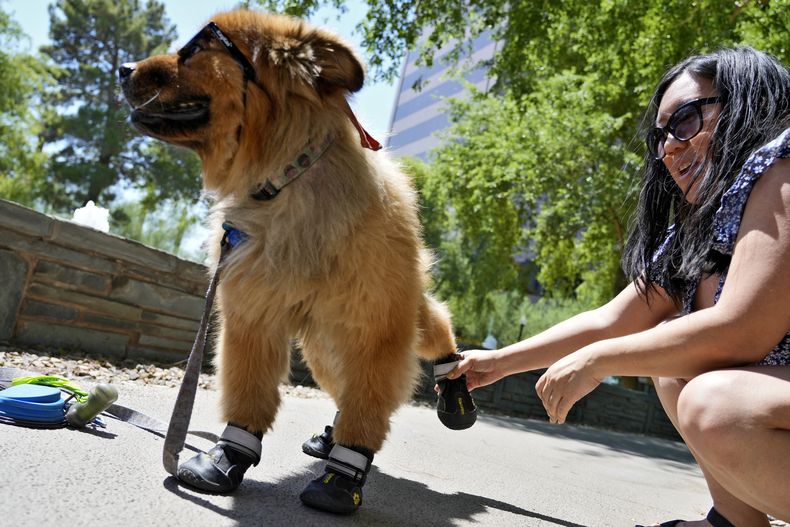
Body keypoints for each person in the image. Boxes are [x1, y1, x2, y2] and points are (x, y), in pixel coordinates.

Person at [445, 46, 790, 527]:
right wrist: (497, 364)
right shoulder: (700, 227)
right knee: (670, 354)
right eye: (660, 136)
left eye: (685, 121)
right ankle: (733, 521)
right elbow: (612, 321)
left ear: (745, 106)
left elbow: (743, 330)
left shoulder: (782, 169)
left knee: (715, 404)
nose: (668, 148)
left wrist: (598, 361)